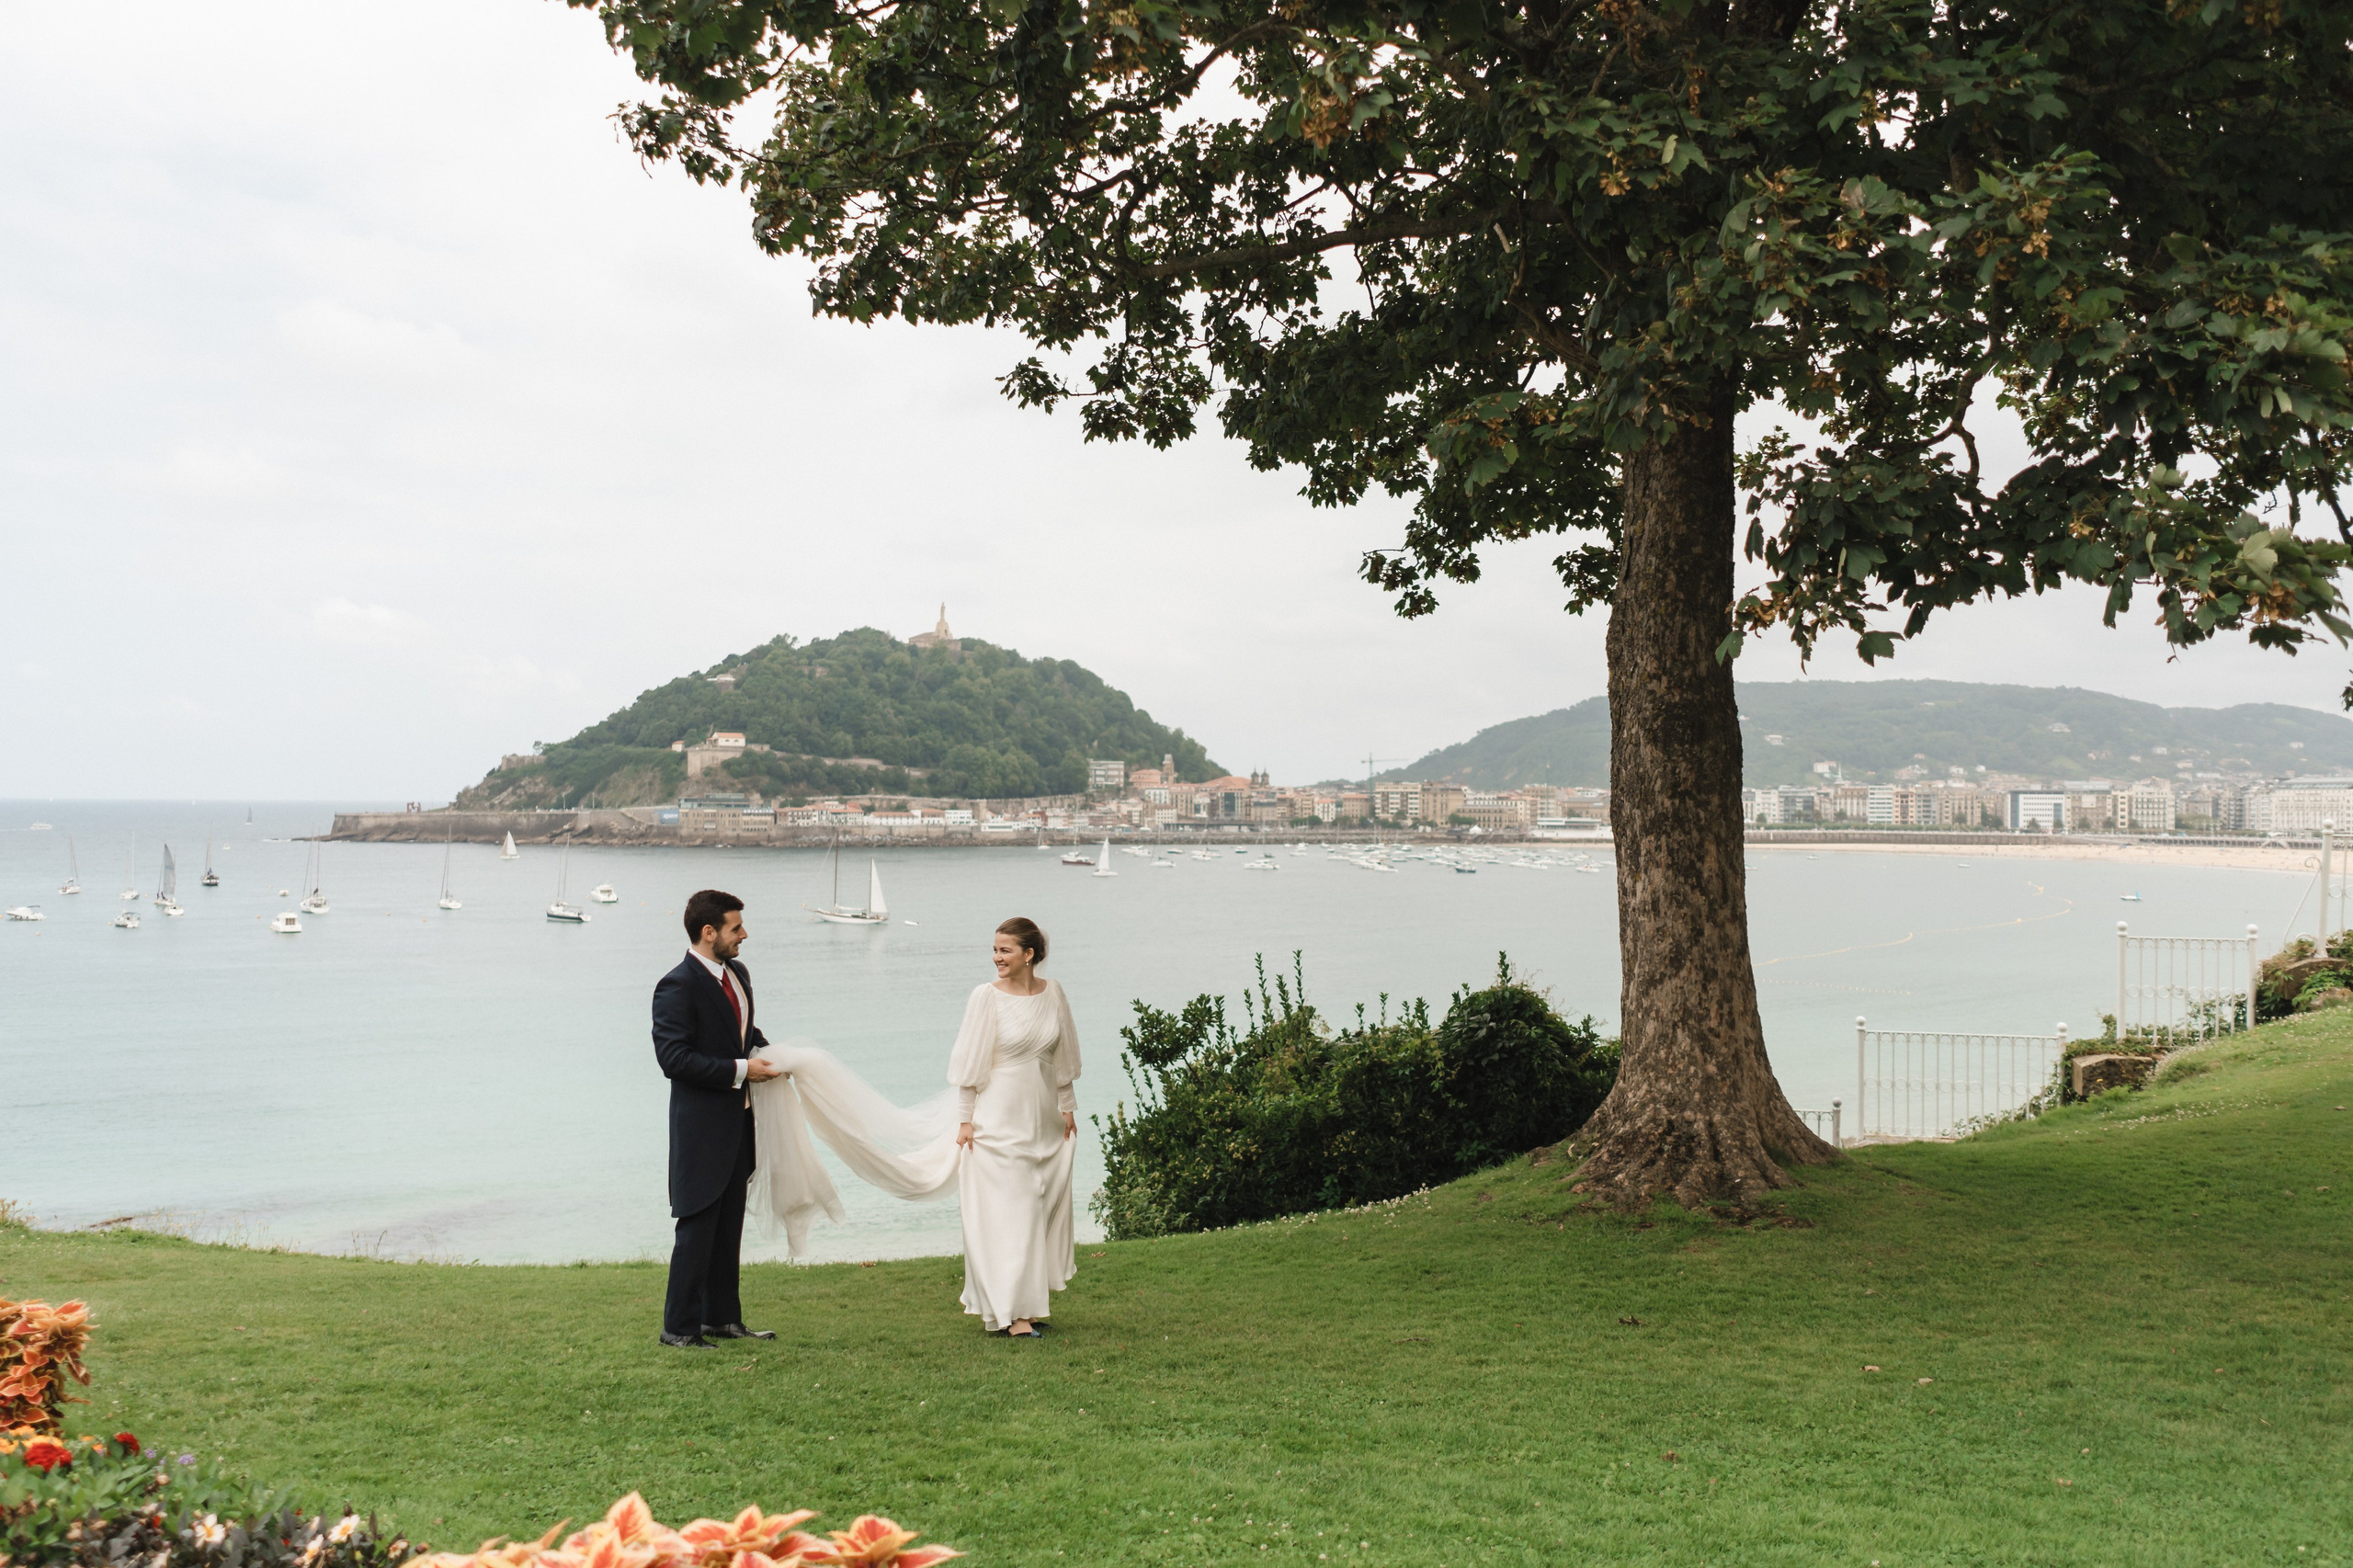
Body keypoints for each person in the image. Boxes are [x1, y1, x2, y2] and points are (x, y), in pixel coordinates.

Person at [651, 888, 785, 1348]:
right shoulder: (677, 985)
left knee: (729, 1229)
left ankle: (722, 1318)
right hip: (700, 1131)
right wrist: (744, 1070)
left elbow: (743, 1033)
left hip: (738, 1126)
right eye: (735, 928)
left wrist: (773, 1055)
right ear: (709, 933)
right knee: (696, 1230)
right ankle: (679, 1329)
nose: (743, 935)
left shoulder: (739, 973)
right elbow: (674, 1060)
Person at [946, 916, 1082, 1338]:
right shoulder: (984, 997)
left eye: (1005, 950)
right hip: (998, 1121)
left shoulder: (1053, 992)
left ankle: (1023, 1305)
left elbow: (1064, 1057)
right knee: (1012, 1215)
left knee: (1038, 1212)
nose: (996, 957)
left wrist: (1067, 1106)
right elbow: (970, 1064)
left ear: (1029, 954)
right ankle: (1014, 1316)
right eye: (994, 949)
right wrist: (965, 1120)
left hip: (1043, 1119)